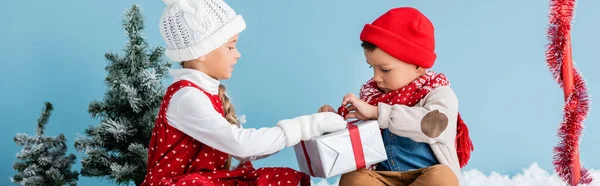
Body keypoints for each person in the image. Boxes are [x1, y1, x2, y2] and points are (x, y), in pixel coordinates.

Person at [142, 0, 347, 185]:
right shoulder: (187, 97)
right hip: (184, 183)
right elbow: (242, 145)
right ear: (202, 51)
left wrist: (311, 129)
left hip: (214, 179)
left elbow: (250, 152)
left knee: (284, 179)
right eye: (231, 47)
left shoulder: (205, 91)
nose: (238, 54)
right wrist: (306, 126)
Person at [318, 7, 474, 186]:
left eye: (385, 69)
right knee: (353, 179)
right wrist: (332, 122)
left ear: (418, 65)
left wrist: (379, 114)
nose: (376, 77)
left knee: (443, 178)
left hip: (424, 175)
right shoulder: (373, 96)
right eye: (372, 68)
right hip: (382, 177)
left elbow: (434, 126)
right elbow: (354, 143)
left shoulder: (438, 93)